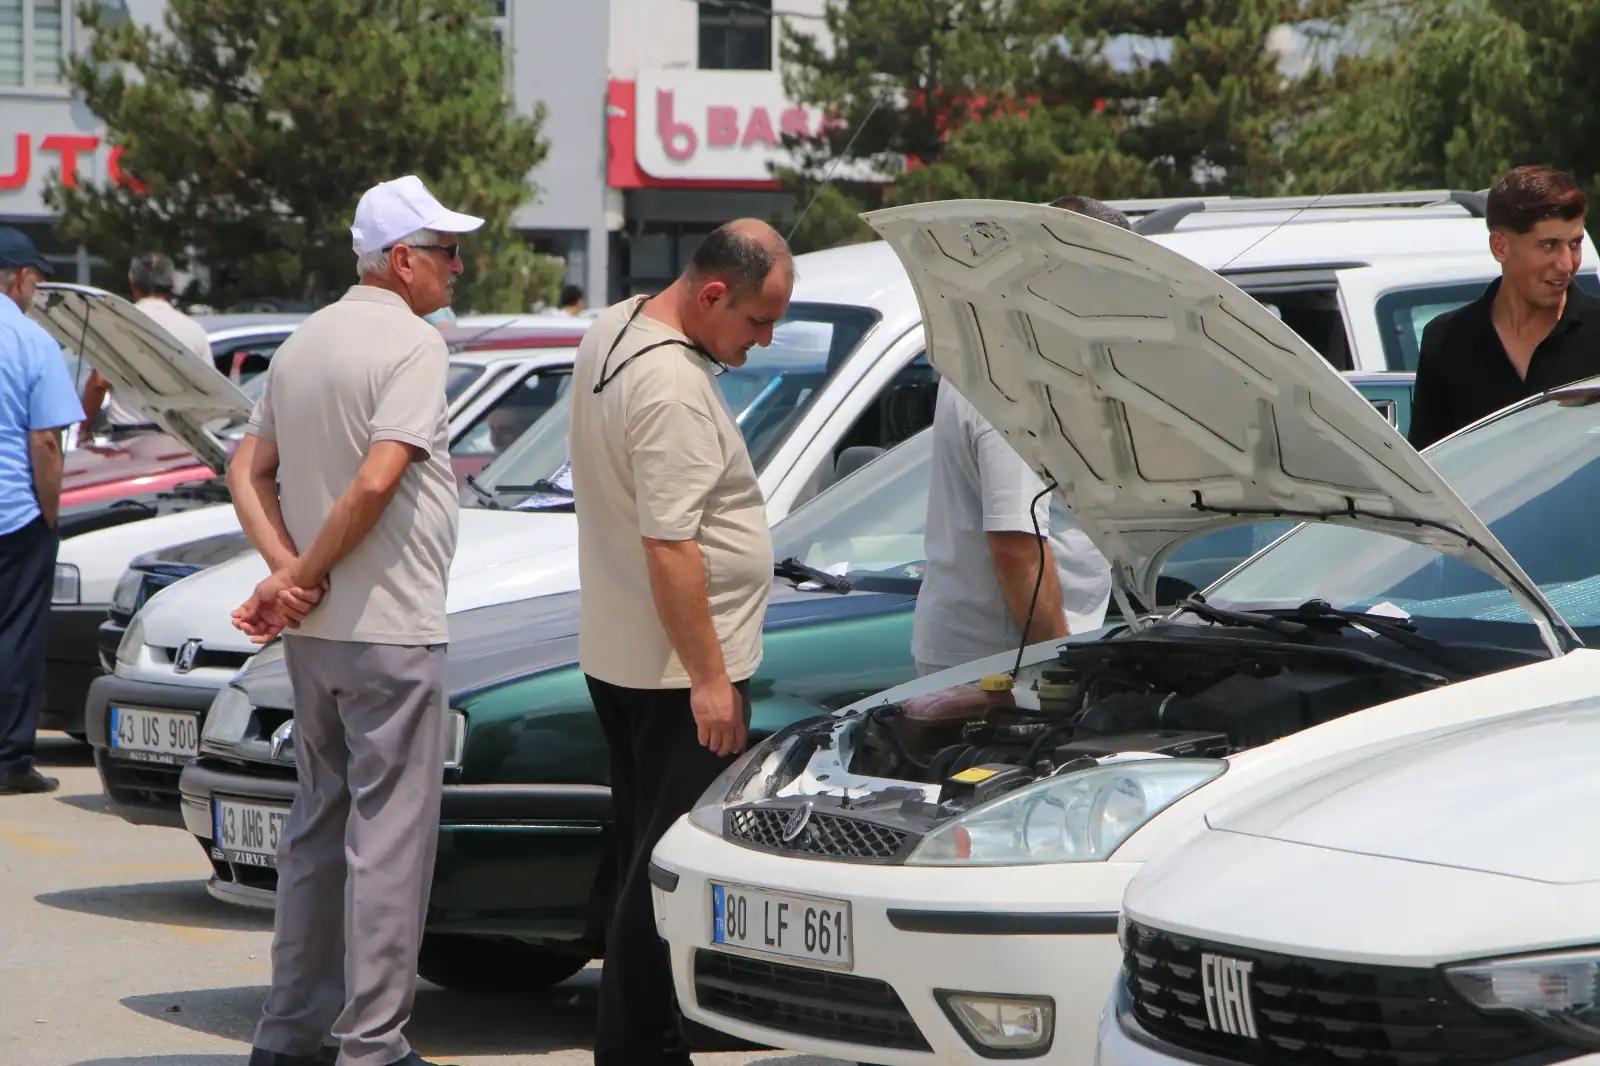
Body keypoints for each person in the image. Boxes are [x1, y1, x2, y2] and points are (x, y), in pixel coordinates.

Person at [226, 174, 483, 1066]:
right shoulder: (412, 343)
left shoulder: (304, 341)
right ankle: (371, 1044)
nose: (459, 267)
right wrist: (296, 573)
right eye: (447, 253)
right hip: (390, 622)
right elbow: (379, 480)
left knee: (317, 830)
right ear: (402, 261)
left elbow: (246, 472)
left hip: (319, 632)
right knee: (388, 846)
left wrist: (284, 577)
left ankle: (288, 1032)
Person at [570, 219, 793, 1066]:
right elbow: (671, 543)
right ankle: (637, 1049)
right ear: (709, 295)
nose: (763, 341)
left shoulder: (617, 325)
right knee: (662, 872)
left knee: (643, 854)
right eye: (756, 322)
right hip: (674, 670)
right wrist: (711, 678)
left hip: (628, 651)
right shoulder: (668, 384)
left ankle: (647, 1038)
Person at [910, 196, 1119, 677]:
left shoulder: (996, 346)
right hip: (1004, 661)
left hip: (992, 652)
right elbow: (1016, 543)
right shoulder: (1017, 373)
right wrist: (1059, 664)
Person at [1408, 165, 1600, 450]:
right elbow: (1430, 470)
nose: (1566, 264)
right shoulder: (1447, 342)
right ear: (1500, 246)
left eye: (1574, 244)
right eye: (1549, 245)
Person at [0, 230, 84, 796]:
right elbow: (47, 443)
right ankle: (8, 761)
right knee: (16, 636)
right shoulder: (31, 341)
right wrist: (49, 516)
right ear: (21, 278)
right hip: (14, 515)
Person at [80, 251, 214, 439]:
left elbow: (99, 382)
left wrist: (84, 429)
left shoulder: (114, 325)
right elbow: (208, 390)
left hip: (129, 437)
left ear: (133, 284)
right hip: (180, 439)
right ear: (172, 285)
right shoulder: (195, 330)